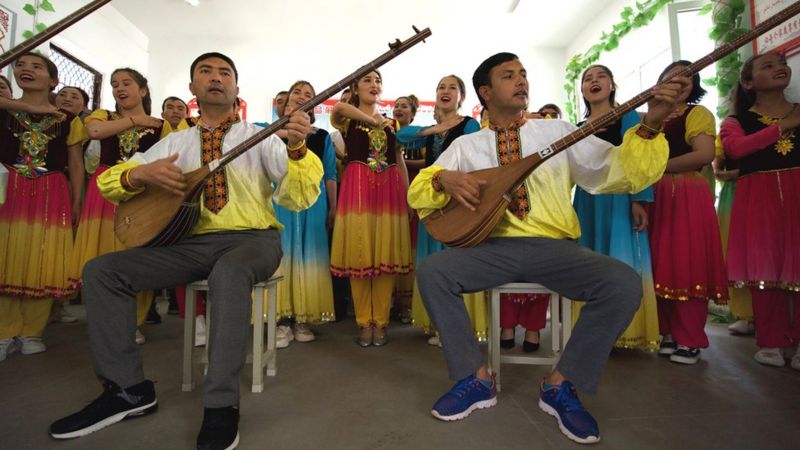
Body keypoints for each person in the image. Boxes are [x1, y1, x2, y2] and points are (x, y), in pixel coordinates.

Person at [49, 52, 322, 449]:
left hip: (253, 240)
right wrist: (136, 173)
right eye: (205, 72)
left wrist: (297, 150)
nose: (215, 78)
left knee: (229, 271)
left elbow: (298, 197)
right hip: (189, 244)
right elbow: (110, 182)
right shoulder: (174, 142)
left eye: (225, 72)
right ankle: (128, 391)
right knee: (103, 271)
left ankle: (221, 405)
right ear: (192, 89)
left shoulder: (260, 135)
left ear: (236, 89)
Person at [408, 52, 684, 444]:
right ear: (485, 92)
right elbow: (420, 189)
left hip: (555, 248)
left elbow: (613, 170)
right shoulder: (468, 145)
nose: (521, 81)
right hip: (493, 248)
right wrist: (444, 181)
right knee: (434, 272)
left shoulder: (558, 131)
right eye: (508, 76)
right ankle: (475, 378)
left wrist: (652, 123)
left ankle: (560, 383)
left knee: (623, 282)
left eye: (523, 74)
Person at [67, 68, 170, 345]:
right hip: (103, 195)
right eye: (114, 84)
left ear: (143, 90)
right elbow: (95, 131)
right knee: (100, 256)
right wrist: (135, 120)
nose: (119, 88)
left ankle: (132, 323)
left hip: (142, 194)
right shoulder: (103, 116)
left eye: (126, 83)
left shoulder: (162, 126)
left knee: (136, 255)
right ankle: (105, 323)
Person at [0, 53, 87, 361]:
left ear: (53, 80)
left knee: (42, 259)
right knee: (7, 255)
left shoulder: (69, 121)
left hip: (52, 191)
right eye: (20, 65)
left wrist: (77, 201)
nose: (27, 69)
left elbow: (76, 165)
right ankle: (4, 331)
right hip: (8, 189)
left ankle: (31, 330)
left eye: (37, 66)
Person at [720, 51, 800, 370]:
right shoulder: (735, 122)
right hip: (758, 197)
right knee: (765, 268)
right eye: (768, 65)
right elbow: (736, 149)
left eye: (782, 64)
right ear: (748, 82)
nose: (780, 68)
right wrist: (785, 127)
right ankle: (772, 341)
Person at [571, 64, 659, 351]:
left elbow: (639, 158)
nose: (594, 82)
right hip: (586, 201)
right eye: (587, 79)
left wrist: (639, 199)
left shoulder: (627, 115)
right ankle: (590, 335)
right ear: (582, 90)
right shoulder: (578, 128)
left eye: (601, 77)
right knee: (588, 264)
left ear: (611, 85)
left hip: (619, 198)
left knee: (620, 261)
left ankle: (626, 332)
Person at [648, 60, 728, 365]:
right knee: (660, 262)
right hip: (654, 195)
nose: (680, 81)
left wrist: (656, 167)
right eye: (673, 76)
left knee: (687, 261)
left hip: (685, 193)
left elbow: (704, 154)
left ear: (694, 85)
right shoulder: (651, 117)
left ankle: (690, 337)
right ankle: (667, 331)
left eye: (688, 77)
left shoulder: (698, 114)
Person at [397, 75, 485, 346]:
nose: (445, 91)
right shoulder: (430, 128)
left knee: (457, 262)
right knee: (432, 262)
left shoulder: (470, 125)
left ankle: (461, 328)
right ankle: (438, 325)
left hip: (459, 201)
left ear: (461, 98)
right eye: (440, 88)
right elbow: (400, 134)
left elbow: (474, 160)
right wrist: (433, 131)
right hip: (433, 200)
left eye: (452, 88)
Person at [330, 70, 412, 347]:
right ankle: (364, 321)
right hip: (358, 191)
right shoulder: (347, 119)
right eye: (367, 80)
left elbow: (398, 160)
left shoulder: (393, 125)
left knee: (385, 258)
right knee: (359, 257)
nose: (374, 85)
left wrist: (408, 193)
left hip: (388, 192)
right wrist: (374, 120)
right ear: (355, 87)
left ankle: (382, 322)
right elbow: (339, 107)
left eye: (378, 81)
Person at [271, 80, 336, 347]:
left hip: (315, 202)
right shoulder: (268, 132)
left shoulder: (322, 137)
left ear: (315, 106)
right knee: (282, 254)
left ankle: (303, 319)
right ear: (285, 103)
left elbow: (330, 175)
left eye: (309, 95)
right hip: (280, 201)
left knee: (311, 254)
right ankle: (281, 320)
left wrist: (334, 208)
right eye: (297, 92)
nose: (302, 97)